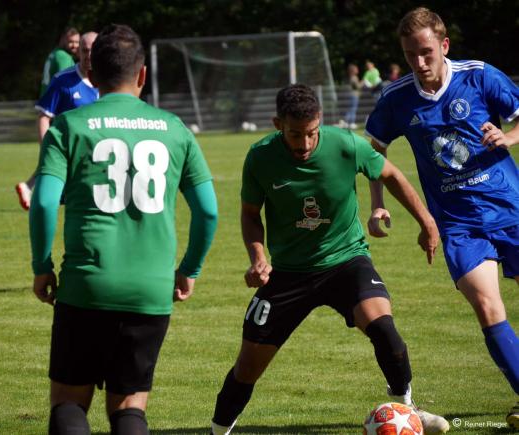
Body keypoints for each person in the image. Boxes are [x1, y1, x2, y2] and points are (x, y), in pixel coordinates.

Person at [210, 84, 450, 435]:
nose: (305, 144)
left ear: (320, 122)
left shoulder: (345, 145)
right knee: (248, 367)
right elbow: (249, 213)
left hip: (346, 261)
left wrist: (427, 222)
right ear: (278, 124)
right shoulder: (260, 157)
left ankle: (405, 410)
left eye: (311, 133)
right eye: (295, 134)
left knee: (384, 328)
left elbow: (391, 175)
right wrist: (258, 257)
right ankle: (217, 431)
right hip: (289, 272)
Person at [29, 24, 218, 435]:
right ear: (143, 75)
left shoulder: (68, 126)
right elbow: (208, 212)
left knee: (68, 402)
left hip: (86, 286)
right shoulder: (174, 129)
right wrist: (190, 269)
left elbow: (43, 201)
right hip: (149, 292)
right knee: (129, 408)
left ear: (91, 76)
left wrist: (42, 265)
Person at [365, 7, 519, 429]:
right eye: (410, 53)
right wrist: (377, 202)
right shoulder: (396, 98)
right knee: (488, 307)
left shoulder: (480, 75)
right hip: (457, 223)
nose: (419, 62)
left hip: (511, 209)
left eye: (427, 52)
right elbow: (372, 151)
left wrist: (507, 136)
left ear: (444, 46)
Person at [16, 32, 99, 210]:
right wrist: (46, 147)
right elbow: (44, 116)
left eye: (93, 51)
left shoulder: (110, 81)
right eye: (85, 51)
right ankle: (31, 191)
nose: (89, 56)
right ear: (79, 53)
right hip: (70, 157)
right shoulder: (63, 80)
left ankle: (28, 187)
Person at [40, 27, 80, 97]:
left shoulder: (55, 53)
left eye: (77, 42)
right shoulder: (63, 56)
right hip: (55, 102)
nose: (75, 45)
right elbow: (65, 84)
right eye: (70, 42)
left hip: (45, 99)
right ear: (62, 40)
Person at [341, 63, 361, 129]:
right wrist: (364, 82)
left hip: (349, 95)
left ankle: (346, 122)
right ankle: (351, 123)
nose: (358, 70)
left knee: (349, 109)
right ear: (353, 70)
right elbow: (357, 86)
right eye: (356, 69)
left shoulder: (348, 77)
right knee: (353, 109)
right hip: (354, 95)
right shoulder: (354, 77)